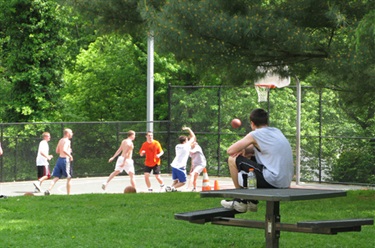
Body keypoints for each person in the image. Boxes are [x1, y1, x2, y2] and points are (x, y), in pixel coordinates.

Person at [221, 108, 293, 212]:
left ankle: (241, 199)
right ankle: (252, 201)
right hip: (284, 182)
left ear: (252, 123)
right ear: (267, 122)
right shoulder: (277, 132)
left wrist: (242, 149)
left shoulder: (255, 134)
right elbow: (263, 150)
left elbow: (230, 150)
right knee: (250, 155)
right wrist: (245, 150)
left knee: (232, 159)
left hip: (272, 181)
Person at [166, 127, 196, 192]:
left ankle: (171, 189)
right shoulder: (186, 146)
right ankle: (170, 188)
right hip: (180, 166)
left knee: (176, 180)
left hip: (174, 165)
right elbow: (193, 137)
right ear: (185, 141)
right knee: (183, 182)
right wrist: (189, 129)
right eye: (187, 140)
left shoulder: (177, 146)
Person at [45, 128, 74, 195]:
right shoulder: (67, 141)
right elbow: (64, 149)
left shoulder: (61, 140)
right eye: (71, 132)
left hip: (59, 160)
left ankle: (48, 189)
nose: (72, 134)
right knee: (69, 177)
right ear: (67, 134)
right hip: (65, 160)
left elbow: (57, 151)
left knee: (56, 177)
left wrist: (68, 150)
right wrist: (70, 155)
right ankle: (68, 194)